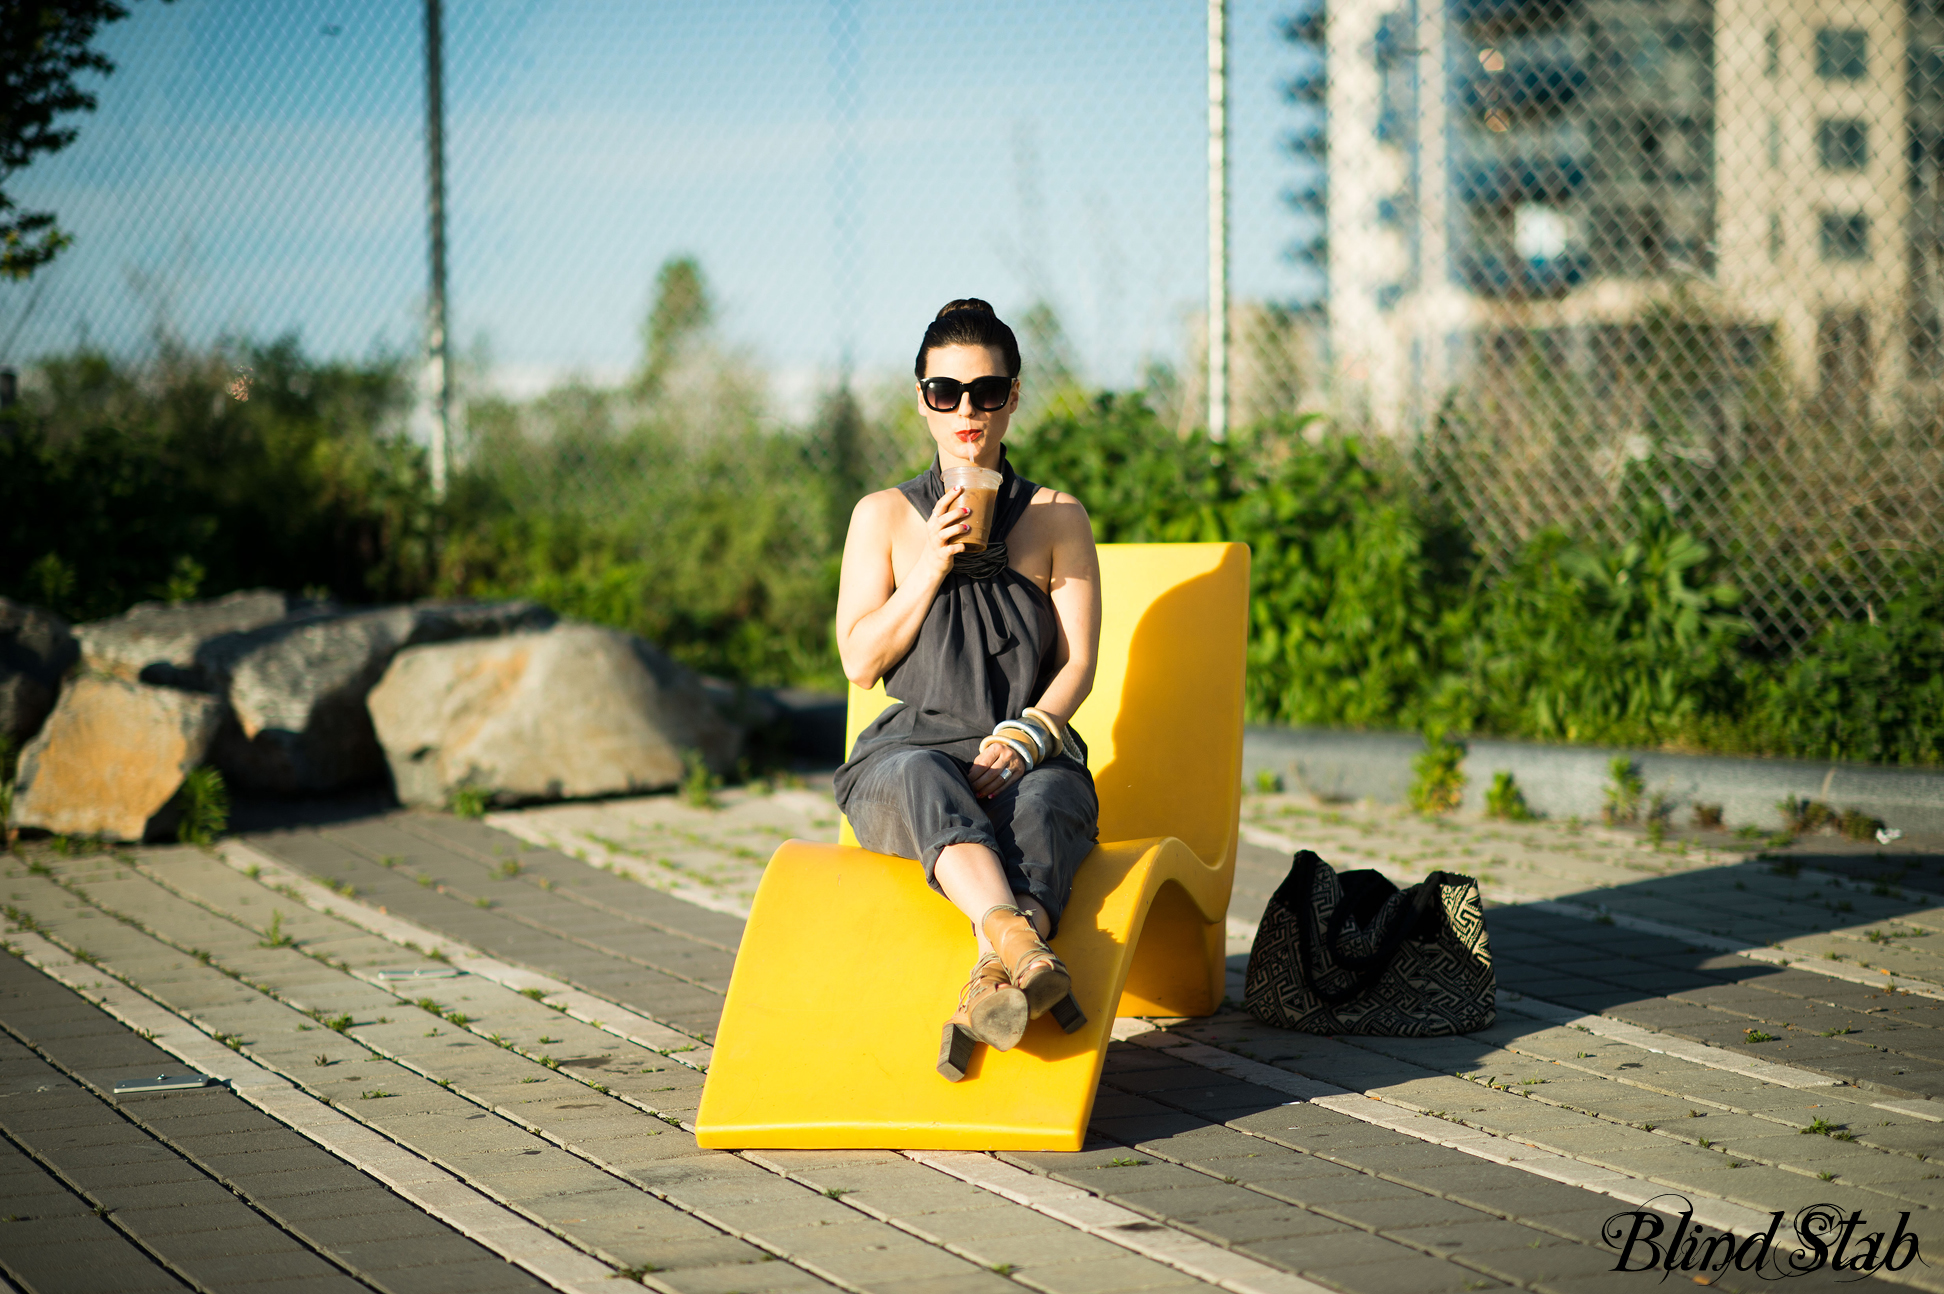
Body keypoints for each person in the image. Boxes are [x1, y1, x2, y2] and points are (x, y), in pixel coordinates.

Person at [833, 298, 1102, 1081]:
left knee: (1053, 803)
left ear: (1013, 397)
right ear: (922, 398)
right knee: (919, 775)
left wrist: (1028, 736)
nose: (967, 412)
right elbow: (858, 660)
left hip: (1024, 749)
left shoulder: (1056, 517)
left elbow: (1078, 663)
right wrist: (931, 564)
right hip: (911, 752)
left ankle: (991, 977)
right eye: (945, 392)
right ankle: (1018, 942)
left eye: (987, 392)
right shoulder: (881, 516)